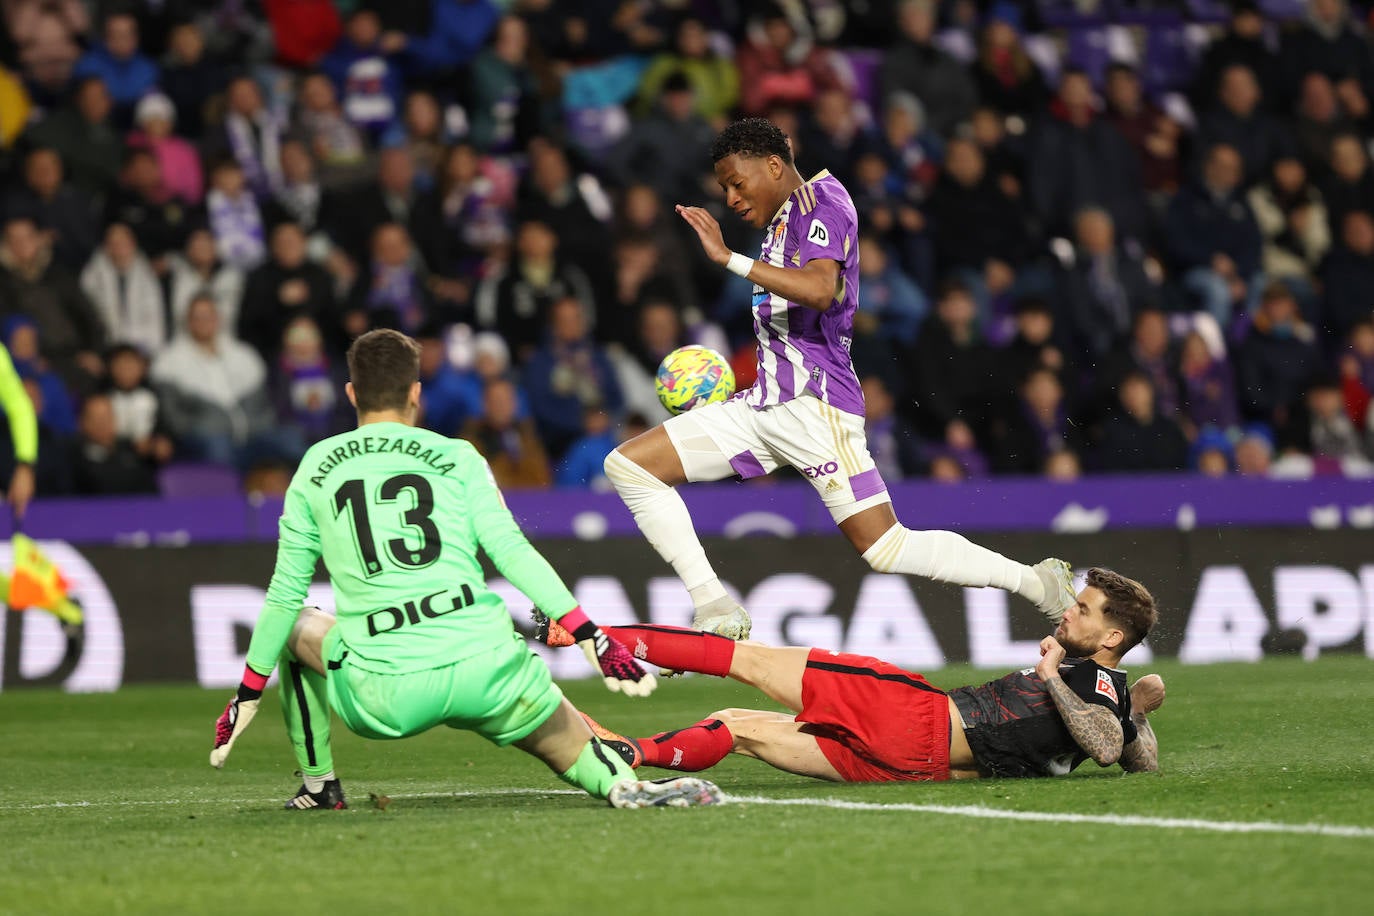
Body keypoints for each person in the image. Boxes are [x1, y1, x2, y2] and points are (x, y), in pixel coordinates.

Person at [208, 329, 720, 810]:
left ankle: (319, 786)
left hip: (388, 691)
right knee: (565, 740)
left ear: (349, 393)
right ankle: (619, 784)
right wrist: (590, 634)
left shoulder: (316, 468)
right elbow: (511, 551)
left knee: (300, 621)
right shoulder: (459, 456)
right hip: (485, 666)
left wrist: (247, 692)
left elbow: (281, 595)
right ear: (415, 393)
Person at [619, 119, 1077, 641]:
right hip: (763, 405)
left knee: (885, 548)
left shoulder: (822, 205)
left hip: (815, 406)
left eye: (736, 183)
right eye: (723, 188)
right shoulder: (782, 218)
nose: (730, 198)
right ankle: (714, 604)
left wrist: (729, 259)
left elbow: (819, 289)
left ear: (773, 166)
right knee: (630, 467)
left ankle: (1036, 583)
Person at [539, 567, 1163, 782]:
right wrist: (1139, 713)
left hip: (915, 716)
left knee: (747, 660)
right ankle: (632, 753)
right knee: (739, 727)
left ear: (1112, 637)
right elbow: (1136, 756)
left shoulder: (1085, 680)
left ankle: (584, 631)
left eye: (1082, 611)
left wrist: (1053, 674)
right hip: (921, 769)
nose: (1068, 611)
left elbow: (1104, 748)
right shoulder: (1110, 692)